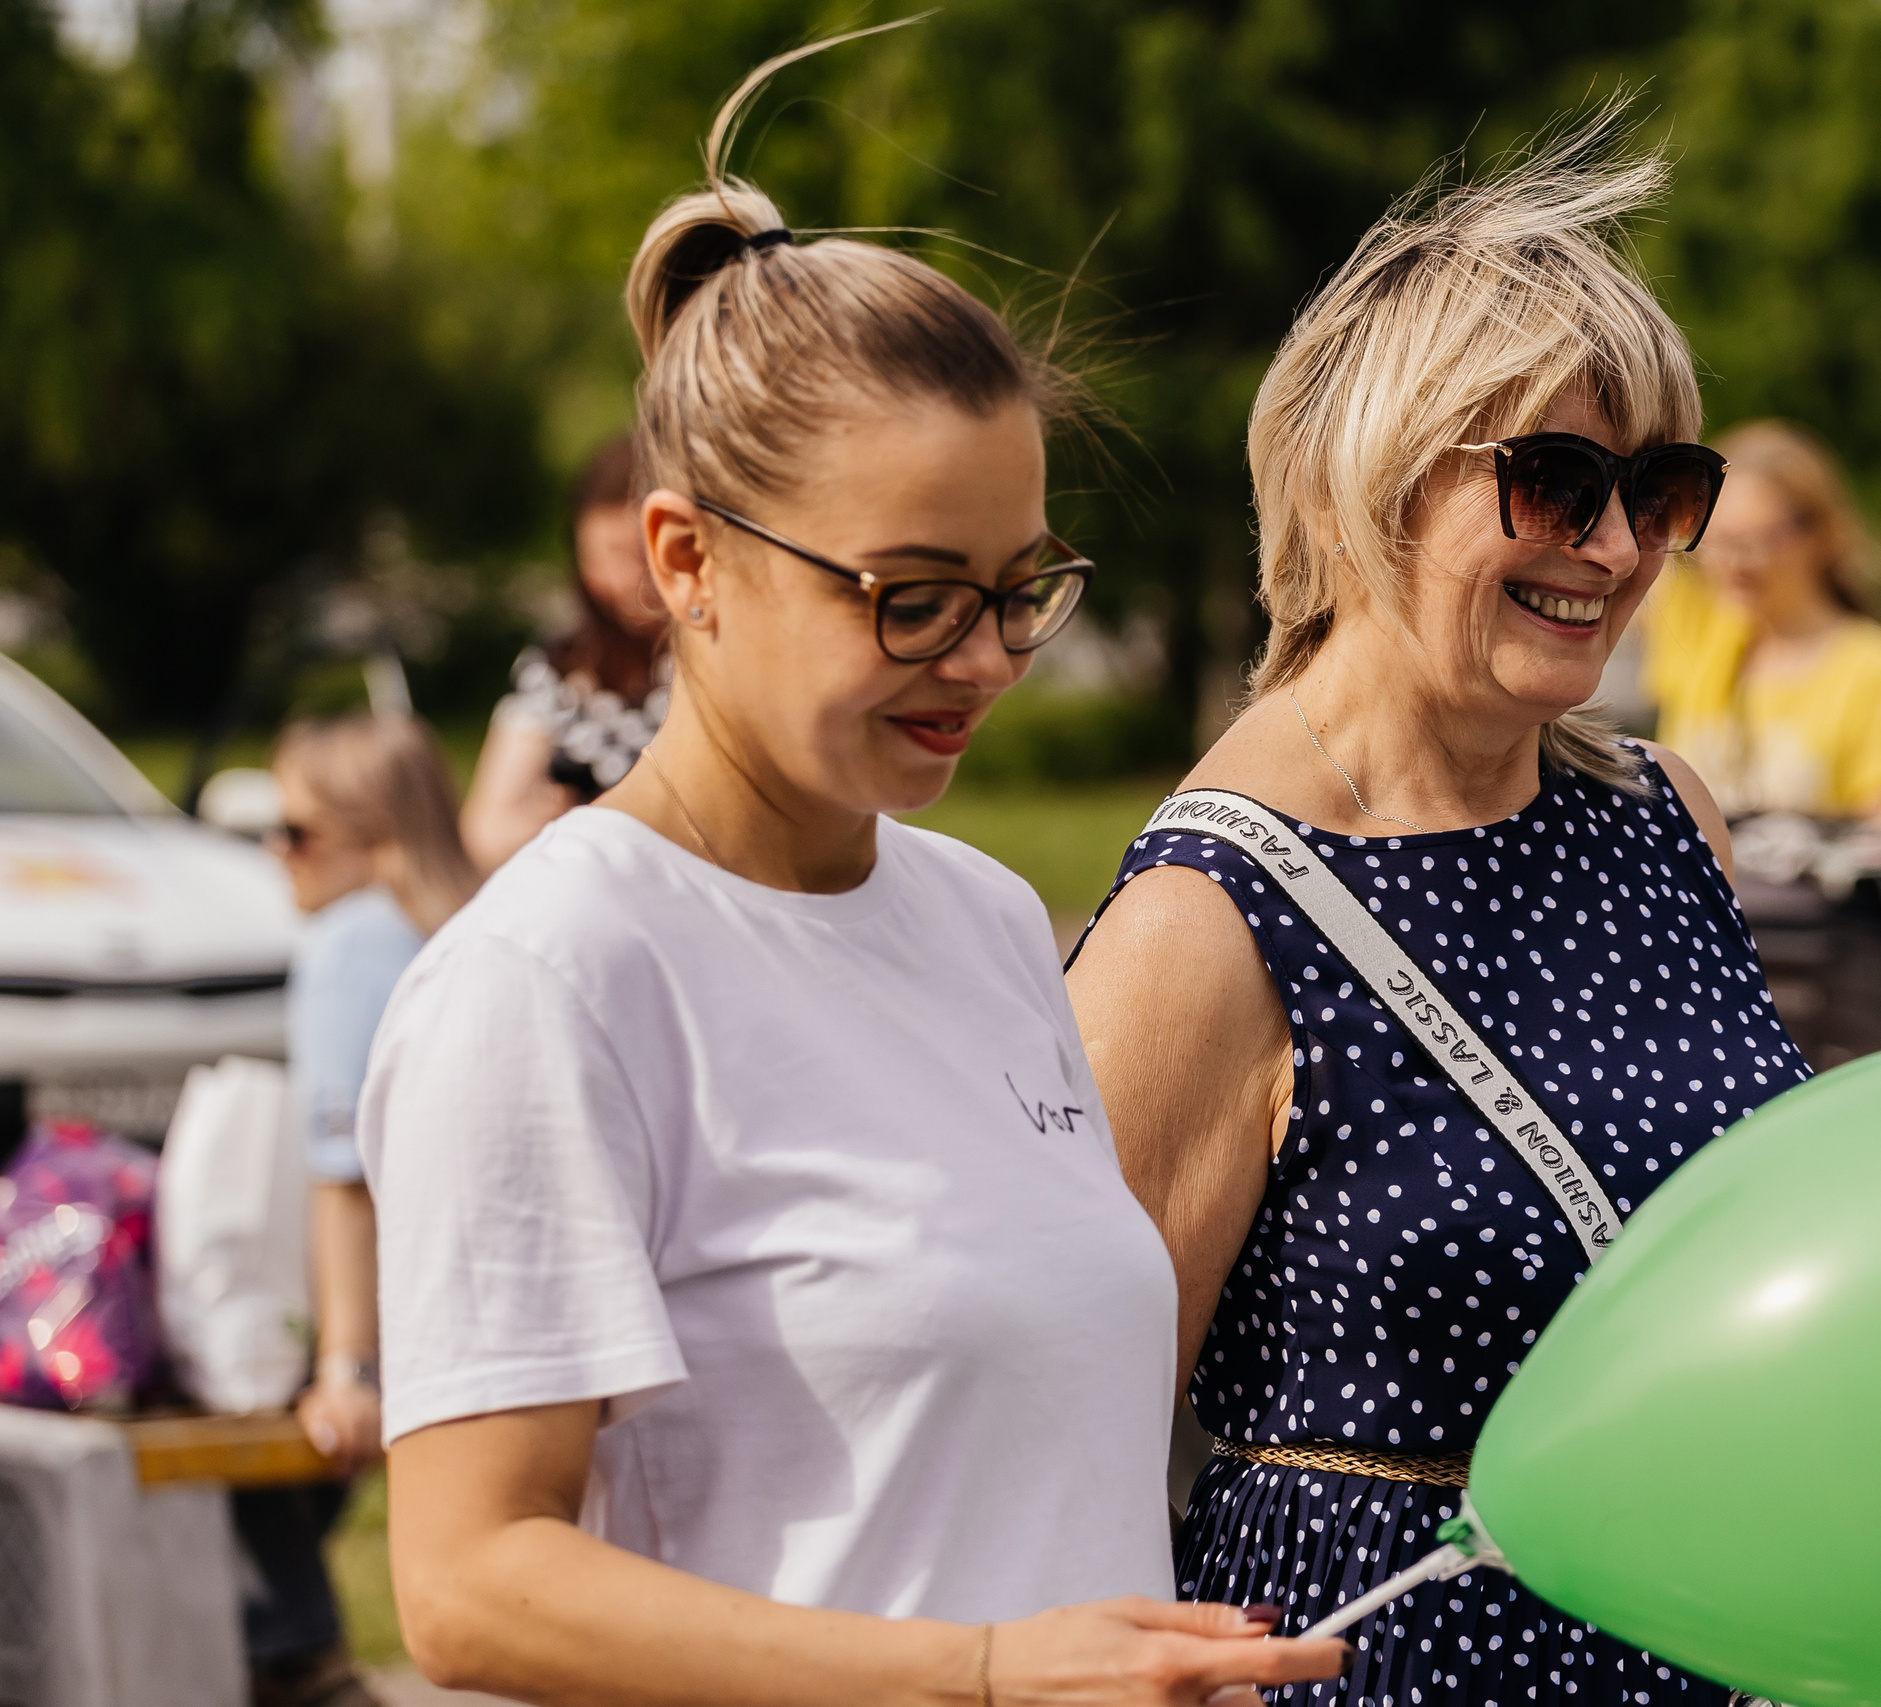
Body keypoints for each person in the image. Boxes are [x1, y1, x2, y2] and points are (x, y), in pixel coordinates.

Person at [356, 43, 1340, 1707]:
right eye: (911, 595)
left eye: (1024, 587)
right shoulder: (555, 976)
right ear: (687, 560)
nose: (984, 656)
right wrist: (972, 1668)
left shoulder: (981, 919)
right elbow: (467, 1582)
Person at [1066, 125, 1810, 1707]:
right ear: (1367, 485)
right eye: (1552, 481)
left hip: (1722, 1637)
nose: (1611, 548)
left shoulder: (1666, 822)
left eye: (1658, 488)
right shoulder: (1206, 918)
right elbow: (1069, 1466)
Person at [248, 711, 480, 1707]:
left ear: (370, 829)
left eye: (296, 831)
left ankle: (296, 1655)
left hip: (411, 1312)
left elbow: (347, 1180)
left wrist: (345, 1366)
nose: (275, 852)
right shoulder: (484, 927)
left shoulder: (351, 942)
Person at [1644, 419, 1881, 820]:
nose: (1732, 564)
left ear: (1821, 535)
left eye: (1755, 542)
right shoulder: (1699, 634)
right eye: (1718, 541)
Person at [458, 433, 670, 871]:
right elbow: (484, 831)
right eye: (599, 558)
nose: (620, 580)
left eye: (632, 555)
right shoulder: (559, 669)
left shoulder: (715, 660)